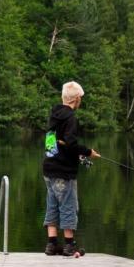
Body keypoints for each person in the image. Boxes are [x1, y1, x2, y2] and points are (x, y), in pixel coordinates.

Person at [42, 81, 100, 257]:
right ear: (77, 99)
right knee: (68, 206)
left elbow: (54, 142)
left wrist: (72, 153)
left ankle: (51, 245)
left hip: (49, 169)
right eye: (80, 99)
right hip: (63, 172)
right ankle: (69, 246)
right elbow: (71, 143)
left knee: (52, 205)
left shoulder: (54, 115)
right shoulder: (70, 117)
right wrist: (88, 152)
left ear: (63, 97)